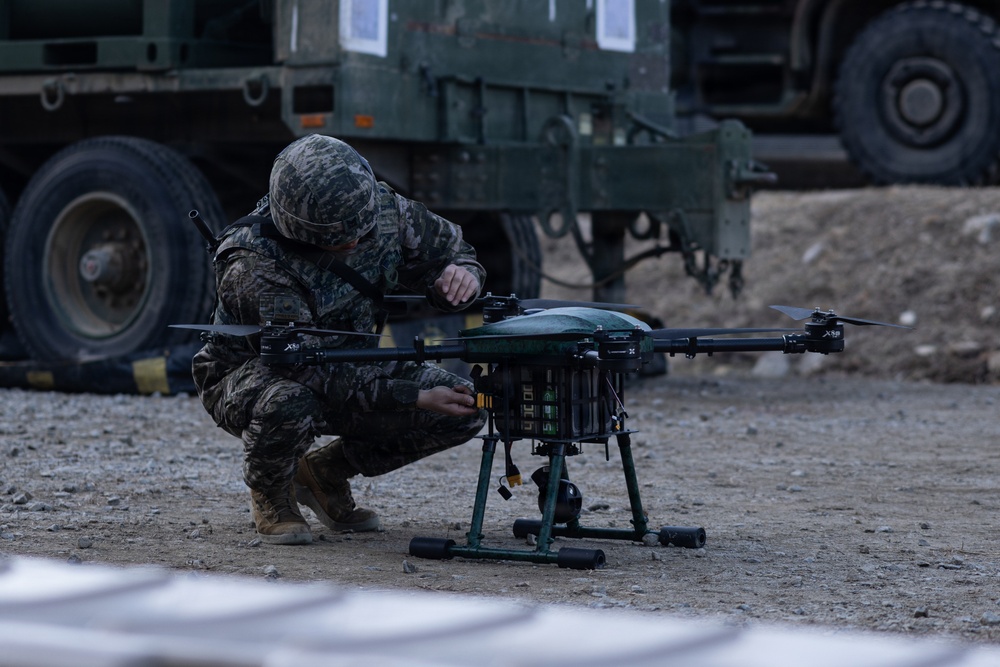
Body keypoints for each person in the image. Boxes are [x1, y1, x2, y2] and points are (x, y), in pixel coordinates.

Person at [192, 134, 487, 545]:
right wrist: (409, 395)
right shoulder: (252, 262)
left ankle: (323, 474)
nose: (354, 242)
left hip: (356, 361)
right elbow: (301, 366)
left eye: (360, 232)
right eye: (338, 238)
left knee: (464, 405)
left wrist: (460, 277)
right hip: (255, 374)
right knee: (288, 401)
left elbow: (453, 250)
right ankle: (272, 492)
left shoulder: (381, 208)